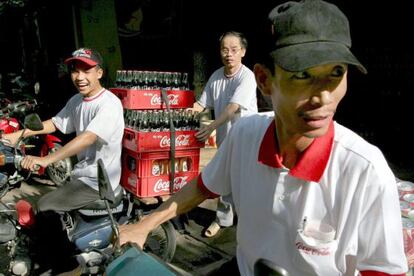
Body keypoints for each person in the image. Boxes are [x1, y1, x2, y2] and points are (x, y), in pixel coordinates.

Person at [119, 0, 408, 275]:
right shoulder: (245, 136)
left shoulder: (364, 170)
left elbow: (382, 270)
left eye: (336, 72)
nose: (323, 96)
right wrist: (145, 224)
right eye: (303, 75)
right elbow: (203, 187)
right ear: (265, 80)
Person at [2, 47, 124, 273]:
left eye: (86, 70)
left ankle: (63, 266)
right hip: (82, 175)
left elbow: (88, 138)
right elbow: (57, 123)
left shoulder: (109, 104)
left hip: (99, 182)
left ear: (99, 72)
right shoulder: (78, 100)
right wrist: (19, 134)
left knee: (45, 207)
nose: (80, 77)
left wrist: (46, 160)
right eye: (75, 71)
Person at [189, 31, 258, 237]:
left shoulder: (247, 77)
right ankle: (224, 220)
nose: (229, 54)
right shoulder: (216, 76)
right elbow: (201, 104)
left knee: (246, 181)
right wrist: (183, 112)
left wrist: (210, 126)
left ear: (243, 52)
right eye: (225, 50)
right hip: (225, 138)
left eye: (234, 50)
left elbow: (232, 108)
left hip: (246, 138)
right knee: (226, 180)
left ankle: (251, 222)